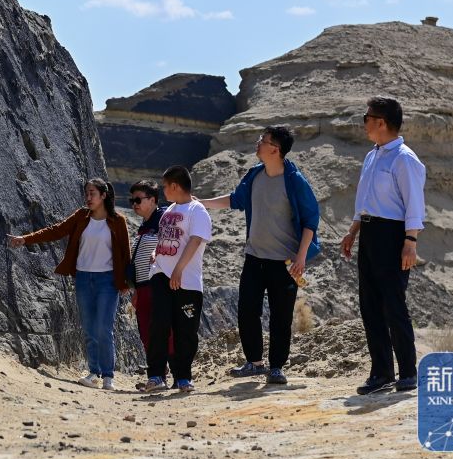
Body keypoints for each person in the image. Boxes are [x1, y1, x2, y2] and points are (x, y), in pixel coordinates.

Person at [198, 125, 320, 386]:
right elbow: (235, 200)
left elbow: (311, 220)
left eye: (263, 140)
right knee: (246, 311)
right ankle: (254, 363)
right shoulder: (255, 174)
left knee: (280, 317)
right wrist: (202, 203)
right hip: (254, 258)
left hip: (284, 264)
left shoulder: (295, 181)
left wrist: (301, 257)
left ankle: (276, 368)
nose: (258, 143)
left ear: (275, 149)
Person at [8, 178, 131, 390]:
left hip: (107, 281)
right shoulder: (81, 216)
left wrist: (126, 282)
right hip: (83, 278)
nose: (88, 197)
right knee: (89, 329)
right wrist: (26, 239)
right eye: (86, 193)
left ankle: (108, 376)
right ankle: (94, 373)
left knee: (104, 328)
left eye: (92, 193)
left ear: (103, 195)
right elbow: (56, 230)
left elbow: (125, 253)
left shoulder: (117, 221)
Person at [340, 96, 426, 395]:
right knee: (370, 306)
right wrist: (353, 231)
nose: (363, 123)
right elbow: (365, 200)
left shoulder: (405, 158)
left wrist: (410, 242)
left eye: (366, 118)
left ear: (381, 122)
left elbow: (414, 204)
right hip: (369, 233)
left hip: (393, 235)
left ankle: (408, 372)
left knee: (393, 304)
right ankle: (381, 372)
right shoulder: (372, 156)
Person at [141, 166, 212, 394]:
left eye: (165, 186)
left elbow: (195, 240)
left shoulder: (197, 210)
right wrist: (156, 253)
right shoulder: (169, 210)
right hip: (161, 275)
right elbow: (166, 237)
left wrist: (179, 270)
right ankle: (156, 376)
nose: (163, 191)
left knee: (185, 330)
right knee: (158, 325)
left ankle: (183, 377)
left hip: (186, 281)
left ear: (174, 186)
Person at [126, 179, 172, 386]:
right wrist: (136, 289)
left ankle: (171, 374)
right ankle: (158, 373)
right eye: (132, 200)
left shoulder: (164, 219)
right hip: (143, 287)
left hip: (159, 286)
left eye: (138, 200)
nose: (134, 204)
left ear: (152, 200)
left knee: (163, 331)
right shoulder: (145, 225)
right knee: (146, 332)